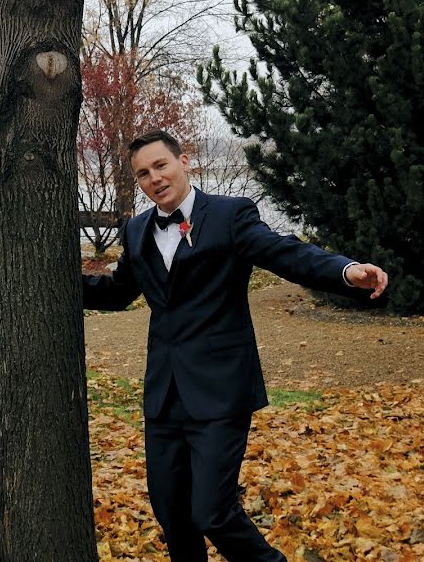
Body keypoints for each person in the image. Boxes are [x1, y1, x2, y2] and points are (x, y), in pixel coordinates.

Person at [82, 130, 388, 561]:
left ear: (184, 162)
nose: (155, 178)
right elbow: (117, 292)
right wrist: (59, 282)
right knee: (173, 515)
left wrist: (346, 271)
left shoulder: (229, 215)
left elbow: (284, 252)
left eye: (161, 165)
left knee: (213, 513)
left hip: (220, 392)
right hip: (164, 397)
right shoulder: (136, 230)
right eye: (143, 174)